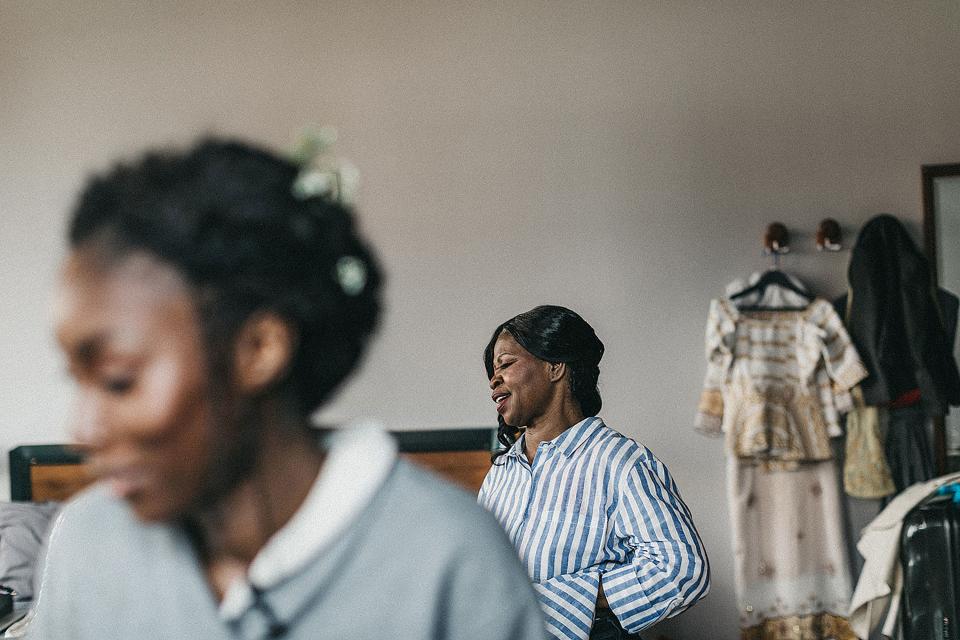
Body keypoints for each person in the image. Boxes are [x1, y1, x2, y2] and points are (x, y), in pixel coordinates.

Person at [27, 138, 548, 640]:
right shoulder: (86, 544)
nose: (80, 429)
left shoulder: (451, 561)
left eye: (119, 380)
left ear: (258, 349)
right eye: (77, 380)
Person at [478, 306, 710, 640]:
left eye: (506, 364)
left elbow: (682, 570)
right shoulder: (501, 473)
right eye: (492, 370)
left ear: (555, 366)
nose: (493, 379)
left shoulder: (620, 462)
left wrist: (569, 600)